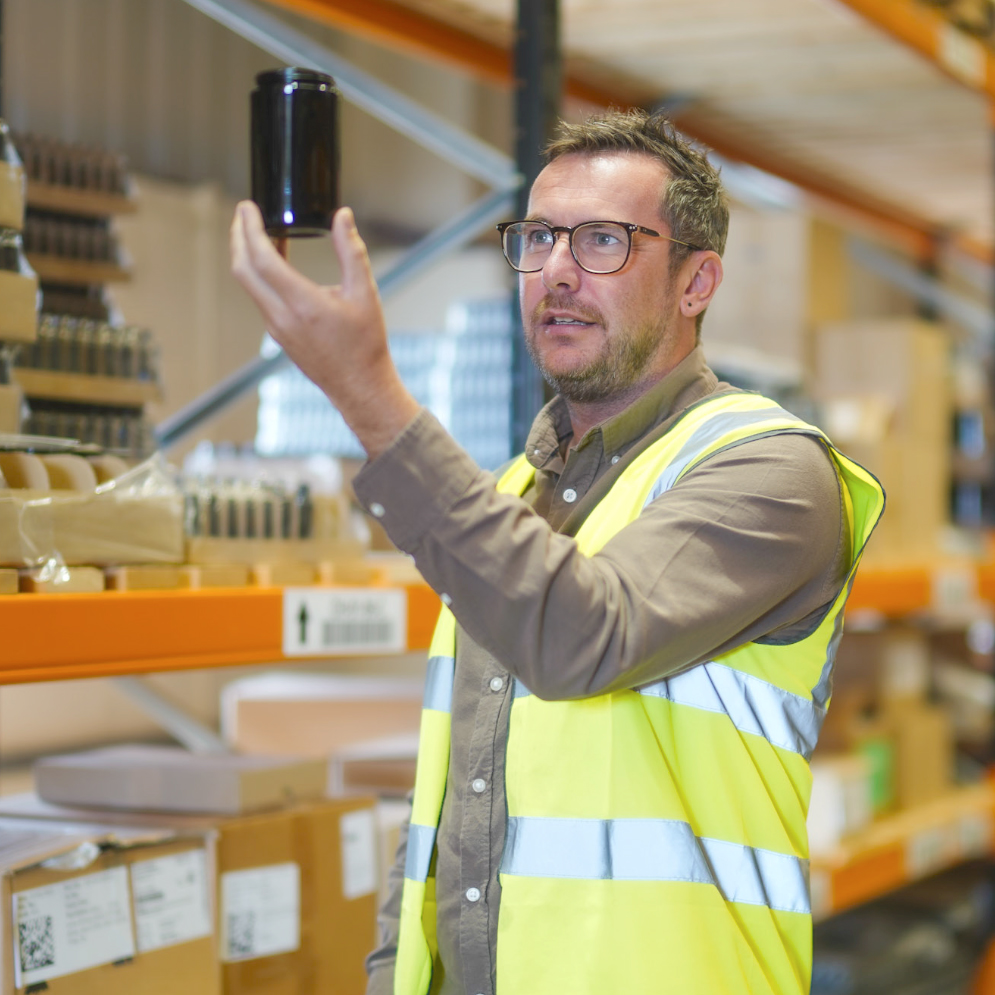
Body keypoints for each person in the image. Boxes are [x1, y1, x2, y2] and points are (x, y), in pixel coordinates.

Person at [230, 109, 884, 995]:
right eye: (537, 238)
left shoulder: (769, 470)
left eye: (604, 241)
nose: (558, 273)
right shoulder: (504, 499)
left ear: (697, 282)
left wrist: (370, 396)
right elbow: (452, 805)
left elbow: (582, 633)